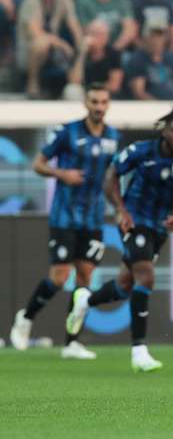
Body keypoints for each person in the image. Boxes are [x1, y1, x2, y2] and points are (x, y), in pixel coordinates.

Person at [66, 108, 173, 372]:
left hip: (161, 226)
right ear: (164, 130)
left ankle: (84, 301)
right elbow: (111, 177)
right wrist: (121, 209)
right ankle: (139, 351)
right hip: (134, 220)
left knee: (124, 285)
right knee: (146, 277)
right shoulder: (141, 151)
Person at [10, 83, 119, 360]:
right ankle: (26, 317)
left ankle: (72, 342)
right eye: (94, 101)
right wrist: (62, 174)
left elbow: (111, 176)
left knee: (85, 278)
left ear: (108, 104)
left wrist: (119, 206)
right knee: (60, 277)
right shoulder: (67, 132)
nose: (99, 107)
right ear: (86, 103)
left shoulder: (113, 137)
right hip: (65, 215)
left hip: (93, 217)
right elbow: (38, 164)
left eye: (103, 102)